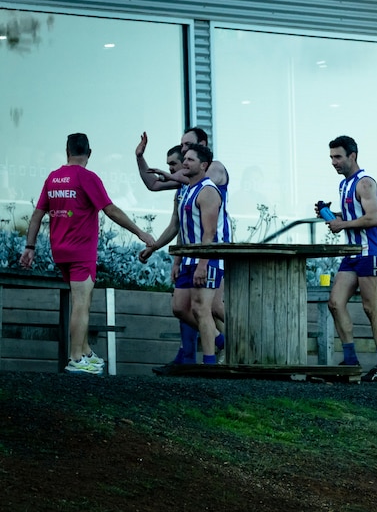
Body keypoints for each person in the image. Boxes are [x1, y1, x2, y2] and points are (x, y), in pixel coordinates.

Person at [19, 133, 155, 375]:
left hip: (60, 250)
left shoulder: (53, 178)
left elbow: (38, 213)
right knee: (81, 304)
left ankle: (84, 352)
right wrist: (139, 232)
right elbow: (110, 209)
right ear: (89, 154)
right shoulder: (87, 177)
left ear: (67, 151)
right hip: (81, 251)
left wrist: (30, 247)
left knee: (84, 300)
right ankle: (75, 358)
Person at [135, 129, 230, 359]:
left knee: (211, 308)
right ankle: (220, 341)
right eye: (182, 147)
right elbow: (155, 187)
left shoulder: (214, 170)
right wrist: (140, 158)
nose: (184, 151)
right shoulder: (185, 188)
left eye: (188, 147)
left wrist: (172, 175)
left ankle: (235, 344)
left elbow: (208, 233)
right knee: (185, 307)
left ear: (202, 149)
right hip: (191, 253)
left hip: (214, 251)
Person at [318, 136, 377, 382]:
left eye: (337, 157)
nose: (333, 162)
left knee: (372, 308)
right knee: (335, 303)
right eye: (330, 157)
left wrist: (342, 224)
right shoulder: (345, 185)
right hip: (351, 252)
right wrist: (330, 214)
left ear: (353, 156)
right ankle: (350, 362)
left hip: (370, 251)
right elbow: (354, 214)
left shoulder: (365, 183)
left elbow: (372, 218)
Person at [138, 145, 202, 365]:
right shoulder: (181, 189)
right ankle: (192, 353)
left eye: (174, 165)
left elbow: (209, 229)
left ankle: (217, 346)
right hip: (186, 255)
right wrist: (157, 249)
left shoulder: (205, 185)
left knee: (205, 307)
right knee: (180, 307)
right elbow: (176, 225)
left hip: (205, 257)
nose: (172, 169)